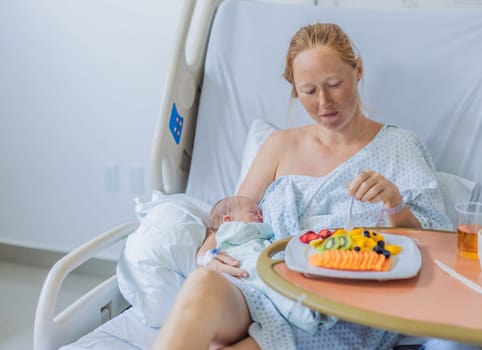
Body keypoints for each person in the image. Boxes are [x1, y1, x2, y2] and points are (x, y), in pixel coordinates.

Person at [153, 23, 453, 350]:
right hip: (261, 282)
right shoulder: (278, 146)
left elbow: (436, 244)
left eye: (334, 84)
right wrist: (207, 254)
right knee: (202, 286)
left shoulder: (399, 146)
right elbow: (234, 215)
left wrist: (394, 203)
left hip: (336, 304)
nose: (324, 102)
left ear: (359, 70)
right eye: (309, 91)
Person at [203, 196, 337, 337]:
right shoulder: (230, 230)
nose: (261, 216)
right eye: (253, 213)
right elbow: (212, 253)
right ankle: (306, 316)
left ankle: (314, 311)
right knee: (275, 287)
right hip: (248, 266)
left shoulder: (239, 233)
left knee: (280, 285)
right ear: (228, 220)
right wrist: (271, 227)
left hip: (255, 264)